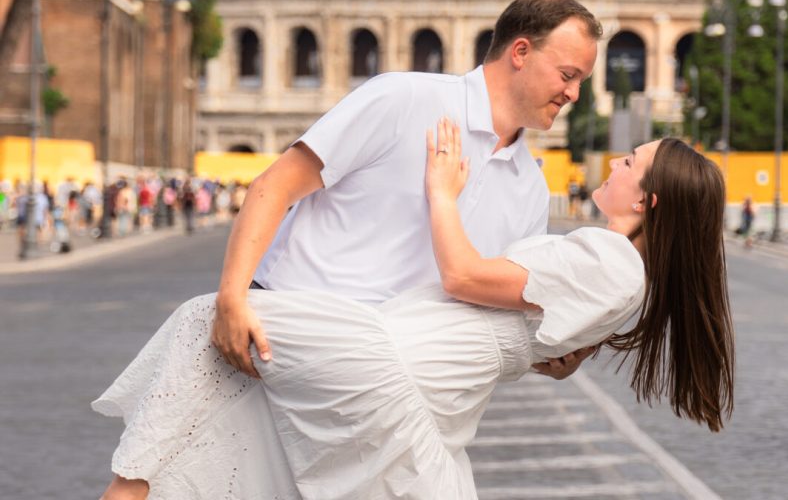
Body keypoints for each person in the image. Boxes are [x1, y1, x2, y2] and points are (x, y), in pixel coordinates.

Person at [94, 121, 735, 499]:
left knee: (204, 322)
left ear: (647, 200)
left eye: (631, 163)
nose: (617, 163)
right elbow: (555, 344)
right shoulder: (623, 271)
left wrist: (442, 193)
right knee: (254, 437)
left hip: (392, 363)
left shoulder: (611, 259)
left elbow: (462, 276)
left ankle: (128, 487)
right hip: (412, 378)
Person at [212, 0, 602, 383]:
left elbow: (493, 310)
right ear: (520, 52)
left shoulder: (531, 189)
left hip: (392, 383)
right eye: (568, 75)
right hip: (280, 341)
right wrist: (231, 298)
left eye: (580, 81)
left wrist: (544, 355)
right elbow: (273, 186)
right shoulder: (403, 98)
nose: (574, 95)